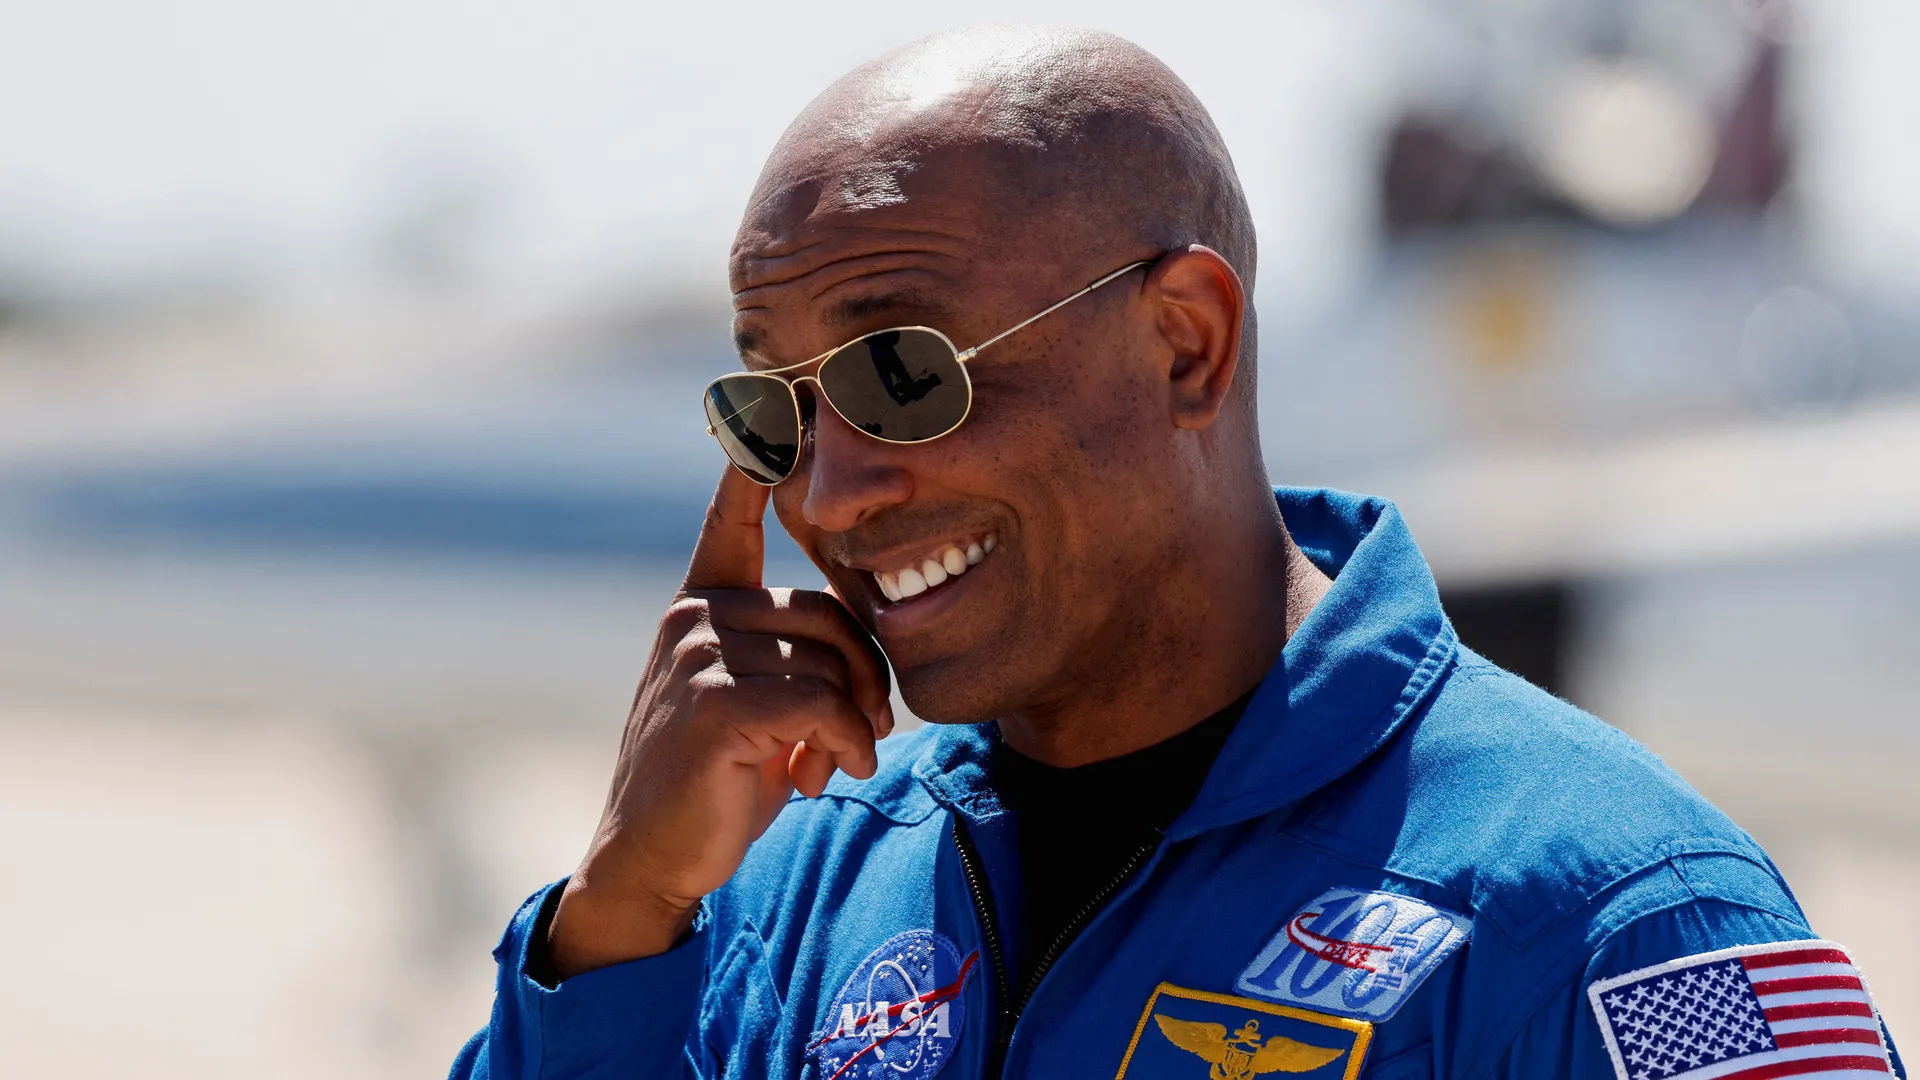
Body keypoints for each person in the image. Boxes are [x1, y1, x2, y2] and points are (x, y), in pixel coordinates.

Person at [450, 26, 1905, 1080]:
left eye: (902, 374)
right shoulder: (782, 902)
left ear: (1186, 344)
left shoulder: (1620, 923)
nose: (828, 495)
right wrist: (616, 923)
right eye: (775, 410)